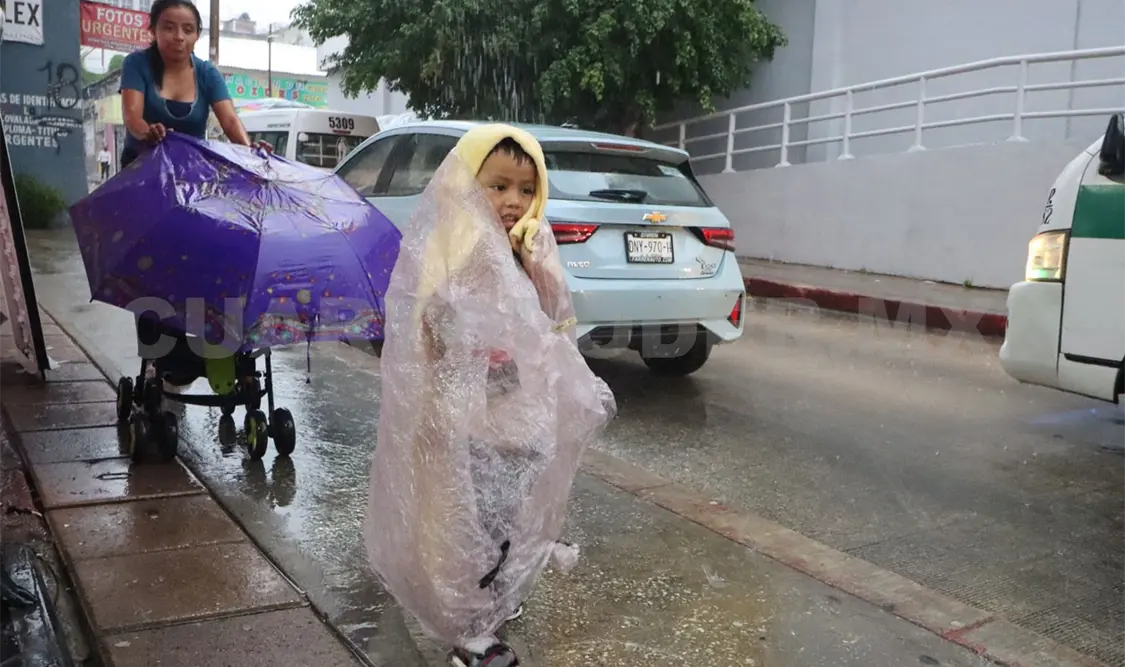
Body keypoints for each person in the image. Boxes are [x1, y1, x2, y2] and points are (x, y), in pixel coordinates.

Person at [366, 125, 615, 667]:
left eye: (526, 190)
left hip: (514, 410)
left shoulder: (528, 247)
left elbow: (553, 327)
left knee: (510, 511)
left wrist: (540, 271)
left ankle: (494, 599)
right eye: (498, 187)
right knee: (465, 516)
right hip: (462, 413)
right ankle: (472, 632)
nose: (513, 202)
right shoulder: (451, 245)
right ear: (464, 185)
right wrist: (439, 405)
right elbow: (427, 328)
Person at [118, 0, 269, 388]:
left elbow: (230, 119)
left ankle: (214, 352)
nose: (178, 36)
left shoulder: (206, 74)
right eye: (169, 27)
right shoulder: (137, 65)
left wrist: (250, 152)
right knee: (149, 270)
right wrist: (146, 130)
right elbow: (132, 116)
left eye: (187, 29)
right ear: (153, 30)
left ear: (196, 35)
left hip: (191, 183)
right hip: (144, 181)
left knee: (206, 259)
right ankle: (159, 358)